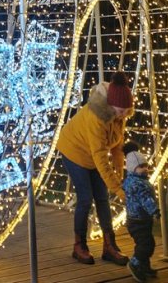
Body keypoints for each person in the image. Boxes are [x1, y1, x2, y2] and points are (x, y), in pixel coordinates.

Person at [56, 72, 133, 265]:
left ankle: (109, 246)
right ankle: (79, 245)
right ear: (110, 105)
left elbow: (117, 143)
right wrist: (118, 189)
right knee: (86, 198)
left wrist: (119, 171)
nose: (123, 115)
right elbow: (100, 156)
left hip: (93, 154)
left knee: (102, 197)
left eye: (126, 111)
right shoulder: (96, 118)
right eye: (121, 111)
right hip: (74, 151)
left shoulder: (118, 113)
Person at [122, 142, 160, 281]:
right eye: (141, 167)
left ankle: (144, 266)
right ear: (132, 168)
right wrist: (154, 210)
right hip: (138, 221)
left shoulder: (136, 180)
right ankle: (135, 263)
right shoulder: (137, 184)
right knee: (146, 244)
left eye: (146, 166)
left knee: (145, 243)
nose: (145, 169)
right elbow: (145, 199)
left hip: (140, 219)